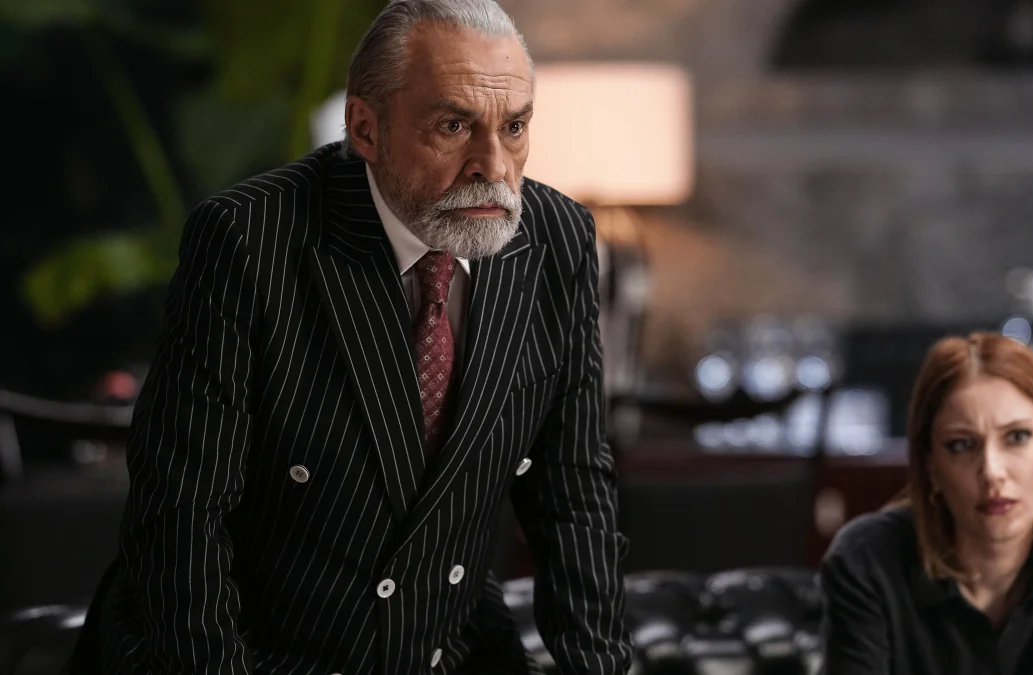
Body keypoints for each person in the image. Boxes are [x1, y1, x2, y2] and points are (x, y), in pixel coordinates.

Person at [72, 1, 632, 673]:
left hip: (443, 647)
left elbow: (574, 492)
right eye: (453, 125)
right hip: (255, 650)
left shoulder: (558, 237)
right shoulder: (248, 238)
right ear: (366, 128)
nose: (493, 165)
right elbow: (181, 514)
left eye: (513, 127)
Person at [819, 332, 1033, 675]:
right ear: (931, 468)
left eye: (1017, 437)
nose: (992, 472)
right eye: (962, 445)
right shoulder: (868, 560)